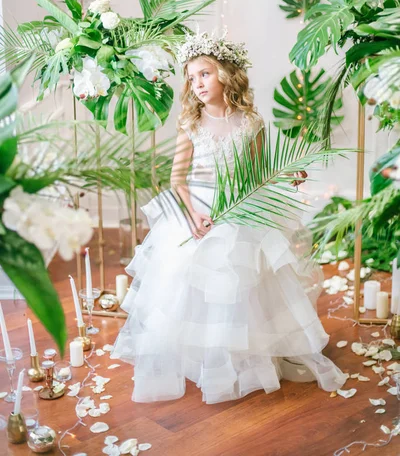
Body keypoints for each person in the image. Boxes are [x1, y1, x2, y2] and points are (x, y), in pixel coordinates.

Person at [110, 29, 347, 404]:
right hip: (198, 213)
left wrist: (286, 173)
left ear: (225, 73)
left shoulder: (251, 123)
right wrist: (193, 218)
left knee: (244, 287)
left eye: (204, 73)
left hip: (242, 211)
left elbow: (255, 175)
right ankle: (203, 358)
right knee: (194, 288)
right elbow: (177, 180)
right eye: (191, 77)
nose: (197, 83)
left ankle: (241, 356)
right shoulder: (190, 124)